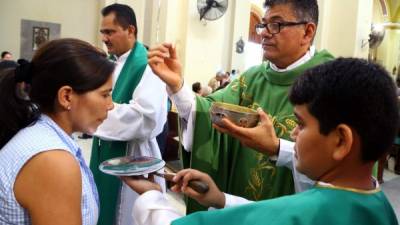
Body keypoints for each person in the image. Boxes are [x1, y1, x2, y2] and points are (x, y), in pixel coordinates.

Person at [123, 58, 400, 225]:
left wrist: (150, 196)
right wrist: (220, 199)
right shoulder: (379, 206)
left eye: (301, 124)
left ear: (341, 142)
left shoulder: (303, 214)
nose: (291, 135)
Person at [147, 0, 334, 213]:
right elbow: (208, 112)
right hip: (240, 207)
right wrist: (177, 85)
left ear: (307, 32)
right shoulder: (252, 79)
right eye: (263, 24)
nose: (264, 33)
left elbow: (338, 164)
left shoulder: (332, 82)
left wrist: (277, 148)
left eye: (276, 24)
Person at [0, 38, 114, 225]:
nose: (111, 105)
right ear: (67, 96)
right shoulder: (53, 161)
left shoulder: (43, 136)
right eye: (105, 94)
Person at [89, 3, 168, 225]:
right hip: (106, 148)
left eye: (110, 32)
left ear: (130, 30)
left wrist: (93, 112)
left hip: (134, 157)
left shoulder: (148, 65)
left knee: (127, 217)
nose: (104, 38)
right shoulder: (112, 63)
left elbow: (146, 118)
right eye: (102, 32)